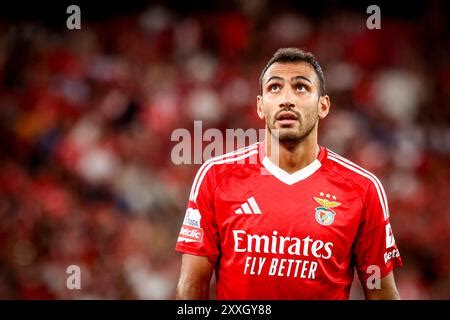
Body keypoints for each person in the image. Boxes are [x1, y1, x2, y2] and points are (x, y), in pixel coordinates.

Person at [175, 48, 403, 299]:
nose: (286, 99)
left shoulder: (363, 189)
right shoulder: (216, 177)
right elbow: (192, 288)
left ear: (323, 105)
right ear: (261, 106)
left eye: (301, 87)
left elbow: (381, 293)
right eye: (274, 88)